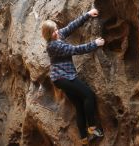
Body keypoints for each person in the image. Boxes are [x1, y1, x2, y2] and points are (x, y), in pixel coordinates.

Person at [41, 9, 105, 145]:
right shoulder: (53, 45)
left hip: (64, 76)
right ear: (48, 35)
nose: (56, 32)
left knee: (79, 105)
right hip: (63, 78)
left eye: (56, 29)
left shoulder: (58, 36)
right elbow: (75, 50)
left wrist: (87, 15)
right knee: (88, 95)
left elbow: (71, 26)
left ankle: (83, 139)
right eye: (53, 31)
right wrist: (95, 44)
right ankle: (92, 128)